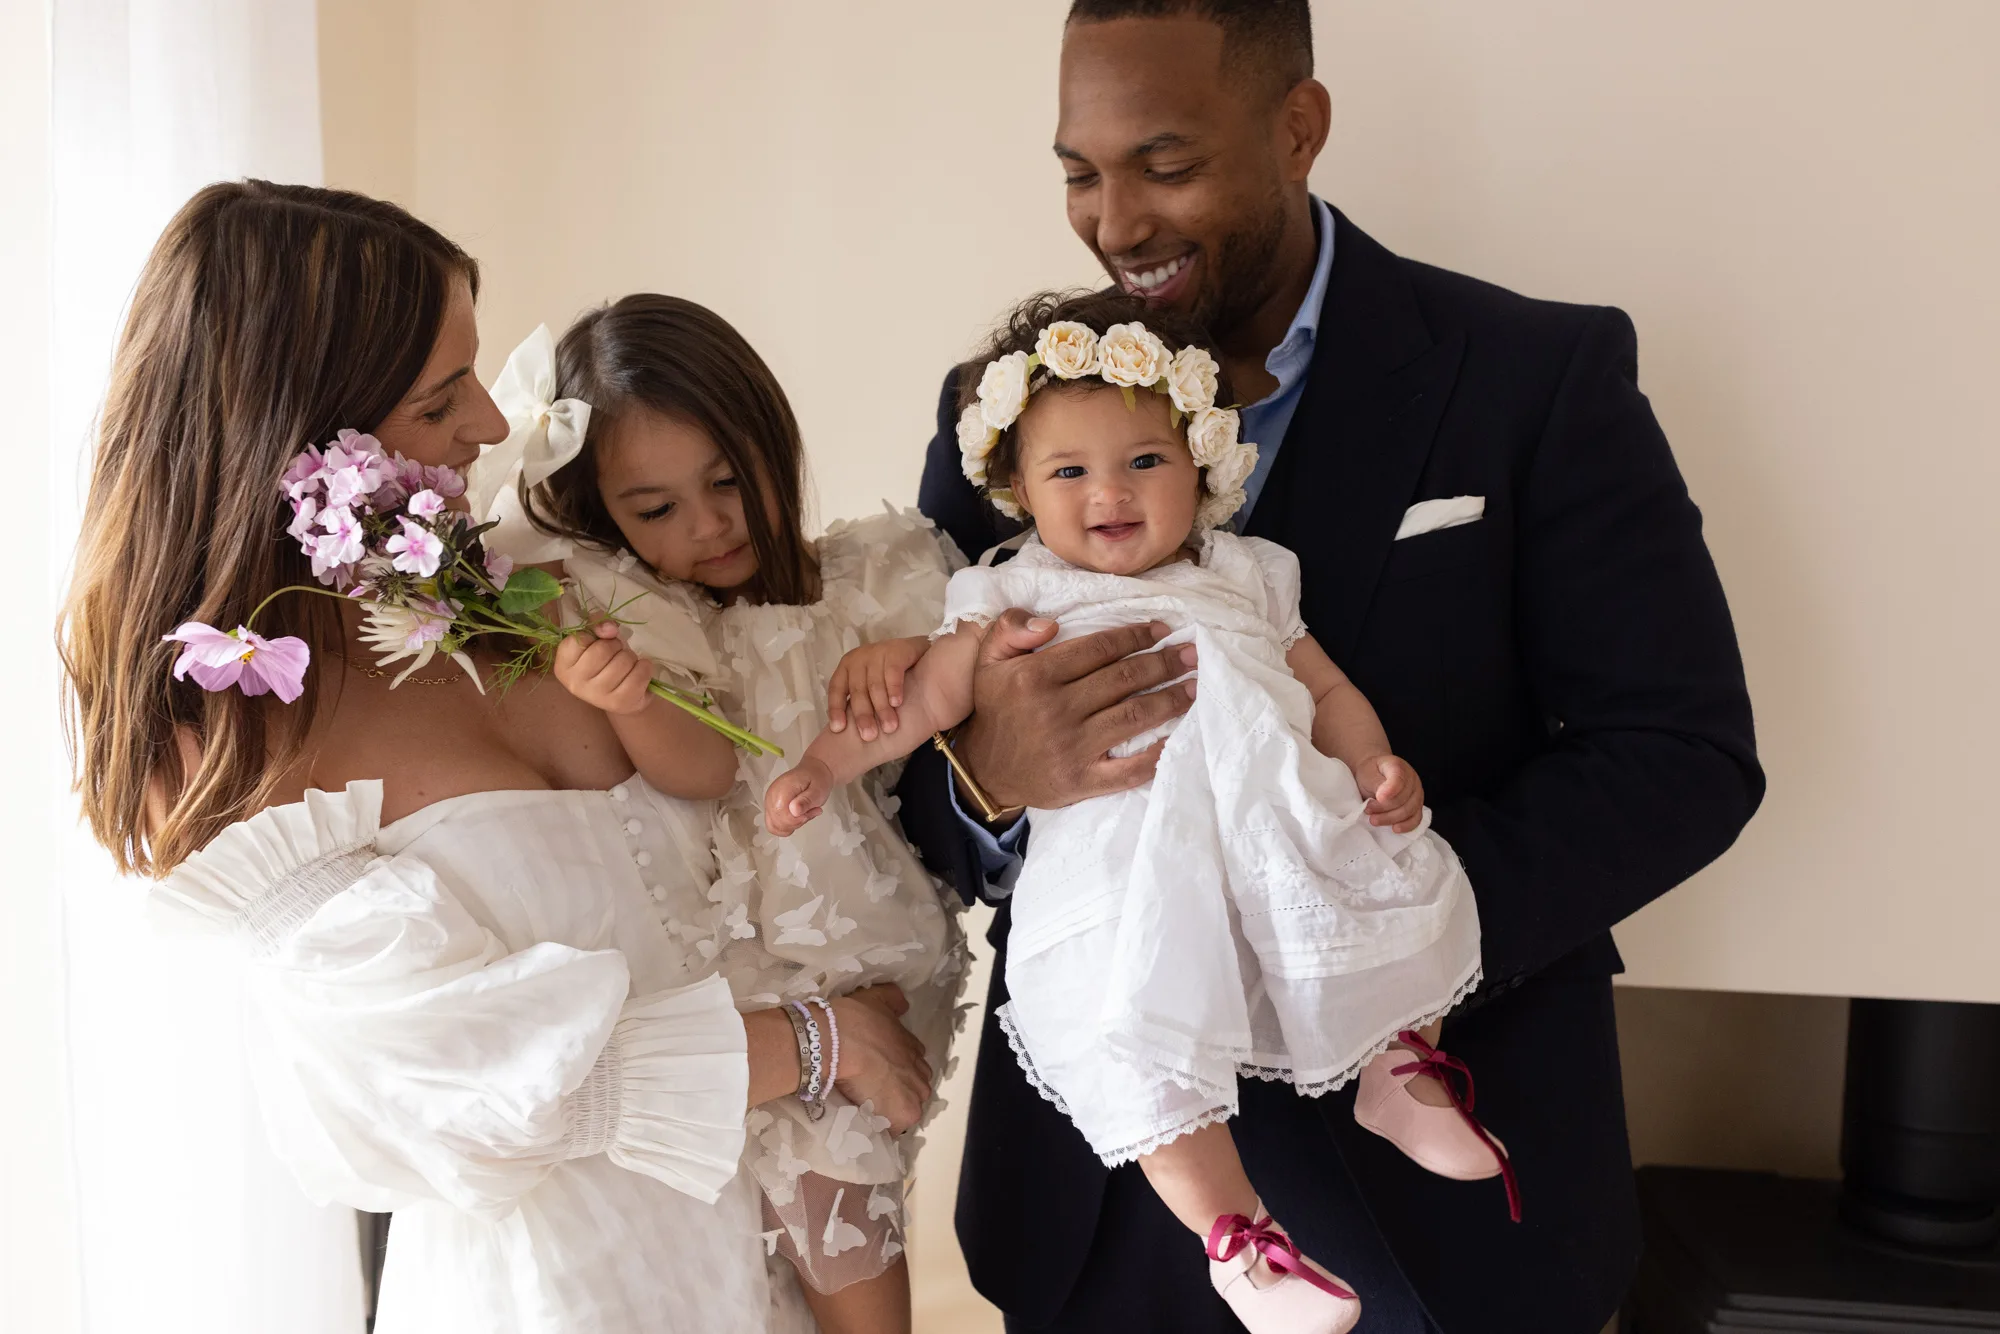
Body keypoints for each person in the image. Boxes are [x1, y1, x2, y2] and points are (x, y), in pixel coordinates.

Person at [891, 5, 1764, 1332]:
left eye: (1166, 165)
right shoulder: (1006, 411)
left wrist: (1388, 928)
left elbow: (1682, 757)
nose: (1115, 221)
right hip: (1109, 1215)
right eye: (1081, 170)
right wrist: (988, 782)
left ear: (1299, 129)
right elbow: (904, 793)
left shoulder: (1535, 377)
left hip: (1440, 1226)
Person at [56, 180, 934, 1334]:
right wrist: (818, 1042)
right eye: (438, 398)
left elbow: (768, 789)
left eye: (471, 373)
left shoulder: (522, 589)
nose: (486, 420)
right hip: (566, 1297)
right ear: (296, 429)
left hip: (784, 1262)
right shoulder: (222, 738)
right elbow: (459, 1077)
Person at [770, 290, 1523, 1334]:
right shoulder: (1006, 599)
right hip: (1120, 875)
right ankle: (1239, 1241)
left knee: (1402, 887)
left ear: (1202, 464)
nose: (1107, 492)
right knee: (1128, 1032)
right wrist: (820, 758)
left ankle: (1398, 1069)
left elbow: (1331, 686)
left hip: (1275, 828)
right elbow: (922, 707)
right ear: (1020, 490)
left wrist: (1371, 761)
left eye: (1143, 462)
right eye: (1068, 471)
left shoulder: (1249, 574)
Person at [480, 294, 969, 1334]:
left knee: (848, 1240)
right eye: (653, 508)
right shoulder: (640, 619)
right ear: (603, 510)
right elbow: (702, 770)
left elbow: (976, 678)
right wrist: (626, 694)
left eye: (726, 480)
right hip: (734, 990)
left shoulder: (867, 581)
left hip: (851, 960)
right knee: (773, 1271)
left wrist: (911, 662)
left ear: (769, 440)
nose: (708, 525)